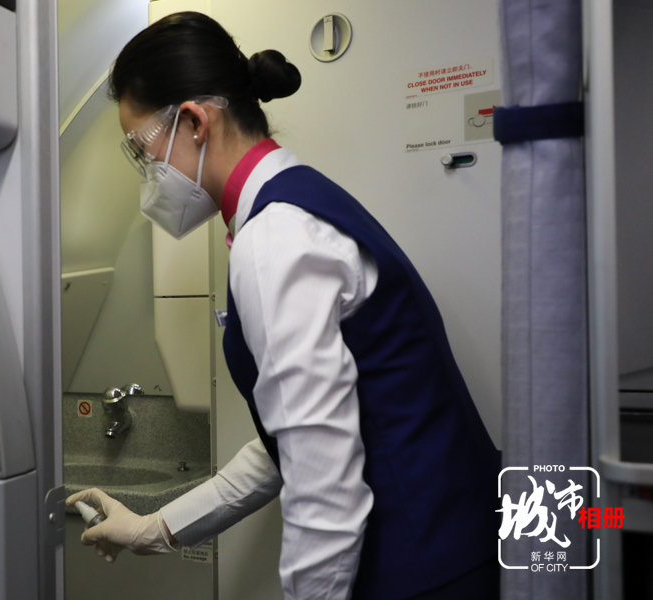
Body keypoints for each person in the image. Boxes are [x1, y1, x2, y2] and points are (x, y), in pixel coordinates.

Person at [66, 12, 501, 600]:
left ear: (194, 121)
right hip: (452, 549)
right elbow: (291, 444)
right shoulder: (298, 202)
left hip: (422, 570)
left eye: (144, 151)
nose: (149, 176)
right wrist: (156, 528)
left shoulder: (276, 239)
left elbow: (324, 489)